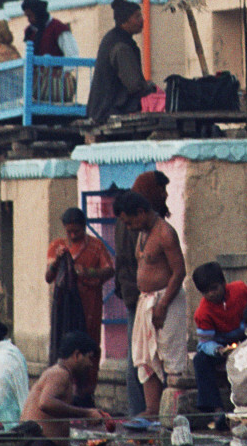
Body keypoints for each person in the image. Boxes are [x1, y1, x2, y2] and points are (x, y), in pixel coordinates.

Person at [114, 190, 186, 424]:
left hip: (167, 300)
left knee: (169, 358)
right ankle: (152, 409)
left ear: (142, 212)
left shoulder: (165, 233)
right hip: (145, 301)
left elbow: (179, 271)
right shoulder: (142, 234)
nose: (130, 226)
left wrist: (163, 304)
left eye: (130, 220)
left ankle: (171, 414)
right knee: (145, 358)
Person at [11, 331, 106, 446]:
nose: (90, 364)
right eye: (89, 358)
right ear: (77, 355)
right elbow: (46, 403)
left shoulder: (60, 373)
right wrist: (86, 413)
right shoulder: (59, 373)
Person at [116, 171, 169, 417]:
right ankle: (140, 410)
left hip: (143, 296)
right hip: (139, 297)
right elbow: (133, 262)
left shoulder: (151, 223)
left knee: (146, 354)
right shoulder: (134, 220)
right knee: (140, 357)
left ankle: (148, 409)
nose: (165, 195)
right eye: (161, 190)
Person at [46, 206, 115, 358]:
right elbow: (48, 277)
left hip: (89, 305)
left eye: (76, 231)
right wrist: (57, 260)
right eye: (69, 231)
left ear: (84, 227)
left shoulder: (96, 246)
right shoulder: (57, 246)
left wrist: (88, 272)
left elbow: (110, 270)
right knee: (64, 345)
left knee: (88, 346)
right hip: (64, 306)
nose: (72, 235)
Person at [192, 261, 247, 416]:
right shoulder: (203, 312)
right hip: (221, 345)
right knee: (200, 360)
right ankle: (216, 408)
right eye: (206, 292)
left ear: (223, 283)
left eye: (214, 288)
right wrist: (218, 350)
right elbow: (205, 343)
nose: (211, 294)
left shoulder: (240, 290)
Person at [87, 0, 156, 124]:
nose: (142, 20)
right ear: (125, 20)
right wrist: (150, 88)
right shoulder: (121, 46)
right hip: (110, 111)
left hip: (100, 110)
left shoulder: (113, 38)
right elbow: (134, 85)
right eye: (137, 17)